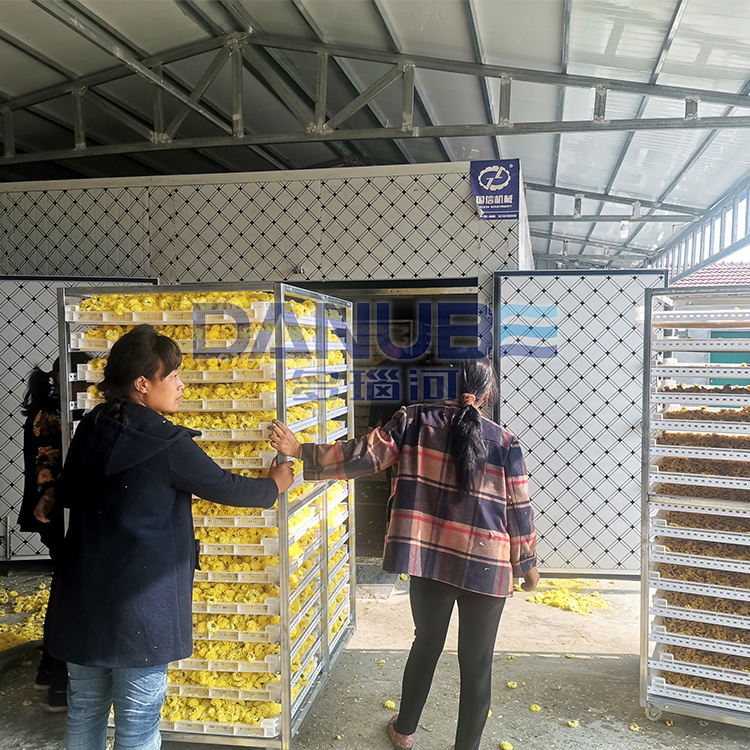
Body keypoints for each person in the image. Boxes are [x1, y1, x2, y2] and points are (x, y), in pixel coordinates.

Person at [44, 324, 294, 750]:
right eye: (173, 376)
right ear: (142, 384)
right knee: (138, 724)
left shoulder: (92, 426)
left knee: (85, 710)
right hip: (140, 612)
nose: (181, 385)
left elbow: (67, 492)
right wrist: (274, 484)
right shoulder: (165, 443)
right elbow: (227, 487)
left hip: (82, 602)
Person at [270, 358, 538, 750]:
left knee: (426, 643)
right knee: (477, 662)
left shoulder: (414, 422)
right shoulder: (505, 442)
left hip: (430, 560)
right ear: (487, 395)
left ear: (450, 387)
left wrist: (299, 450)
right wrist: (527, 564)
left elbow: (361, 455)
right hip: (487, 565)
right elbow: (519, 508)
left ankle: (405, 730)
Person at [19, 353, 90, 712]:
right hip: (56, 515)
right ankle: (59, 684)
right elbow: (47, 467)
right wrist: (49, 500)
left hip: (56, 513)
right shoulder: (51, 415)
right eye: (84, 379)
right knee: (71, 595)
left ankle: (50, 673)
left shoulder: (58, 410)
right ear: (66, 380)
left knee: (64, 590)